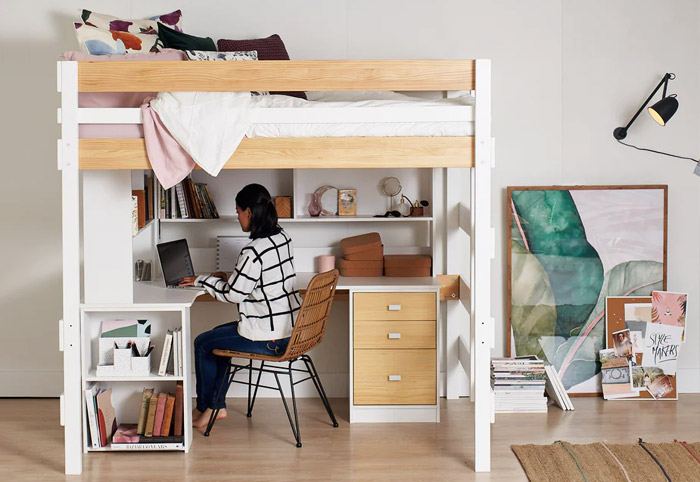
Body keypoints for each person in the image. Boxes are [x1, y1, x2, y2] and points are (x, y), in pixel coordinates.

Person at [179, 183, 302, 428]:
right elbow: (257, 282)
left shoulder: (253, 251)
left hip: (269, 336)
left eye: (238, 211)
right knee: (216, 340)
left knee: (203, 343)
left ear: (249, 212)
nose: (237, 217)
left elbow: (234, 295)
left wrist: (202, 280)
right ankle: (210, 406)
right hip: (289, 329)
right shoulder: (282, 237)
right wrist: (229, 278)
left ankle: (210, 407)